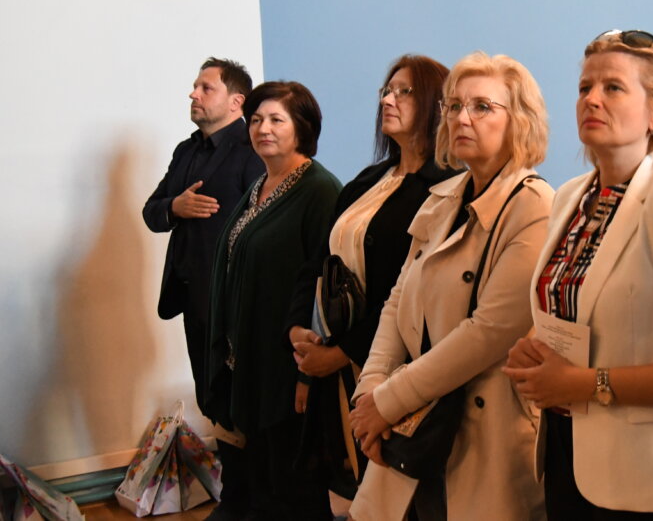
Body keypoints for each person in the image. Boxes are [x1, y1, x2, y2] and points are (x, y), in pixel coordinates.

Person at [348, 52, 553, 521]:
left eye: (482, 107)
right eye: (455, 105)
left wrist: (387, 401)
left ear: (519, 120)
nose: (462, 118)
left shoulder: (535, 205)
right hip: (415, 424)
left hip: (486, 431)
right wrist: (370, 389)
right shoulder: (440, 201)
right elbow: (397, 302)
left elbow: (487, 333)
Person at [504, 29, 653, 519]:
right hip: (564, 453)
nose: (591, 99)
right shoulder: (569, 197)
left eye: (613, 87)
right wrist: (533, 348)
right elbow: (578, 315)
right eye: (584, 87)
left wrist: (587, 383)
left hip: (642, 476)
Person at [285, 54, 456, 499]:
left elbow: (411, 290)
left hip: (392, 365)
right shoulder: (369, 179)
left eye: (404, 92)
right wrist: (298, 328)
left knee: (395, 493)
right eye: (386, 90)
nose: (388, 100)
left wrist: (343, 352)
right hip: (335, 360)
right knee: (353, 488)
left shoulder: (447, 186)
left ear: (435, 104)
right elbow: (318, 259)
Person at [204, 81, 342, 521]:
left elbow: (324, 284)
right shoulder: (261, 184)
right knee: (258, 489)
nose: (263, 128)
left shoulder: (320, 190)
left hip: (288, 368)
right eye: (257, 119)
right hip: (249, 363)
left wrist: (305, 373)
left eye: (276, 120)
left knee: (292, 495)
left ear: (302, 127)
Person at [141, 57, 263, 521]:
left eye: (205, 88)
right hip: (195, 298)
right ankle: (235, 498)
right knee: (211, 397)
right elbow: (152, 212)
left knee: (241, 400)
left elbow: (262, 221)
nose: (193, 94)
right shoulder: (186, 150)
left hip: (237, 301)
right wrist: (177, 205)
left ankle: (253, 500)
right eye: (195, 86)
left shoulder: (254, 149)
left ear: (236, 101)